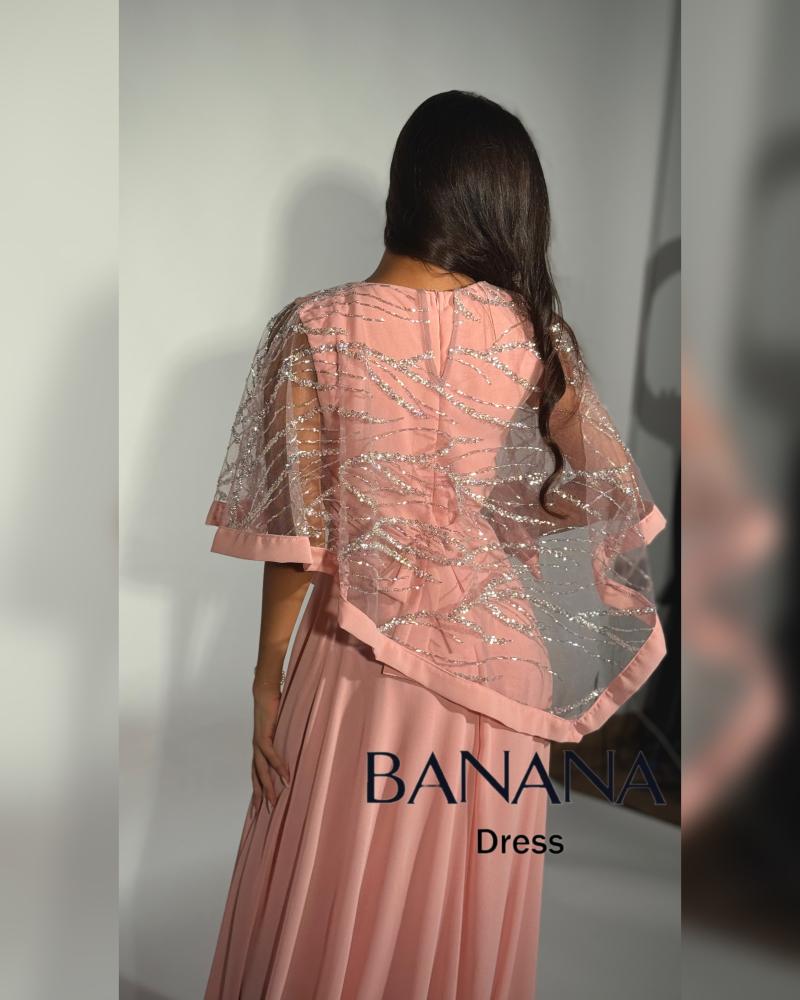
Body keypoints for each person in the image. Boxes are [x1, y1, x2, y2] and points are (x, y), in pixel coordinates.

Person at [203, 90, 666, 1000]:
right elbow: (608, 494)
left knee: (336, 907)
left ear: (406, 187)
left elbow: (297, 537)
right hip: (508, 676)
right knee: (463, 922)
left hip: (365, 668)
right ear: (503, 201)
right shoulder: (533, 335)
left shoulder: (316, 328)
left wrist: (265, 677)